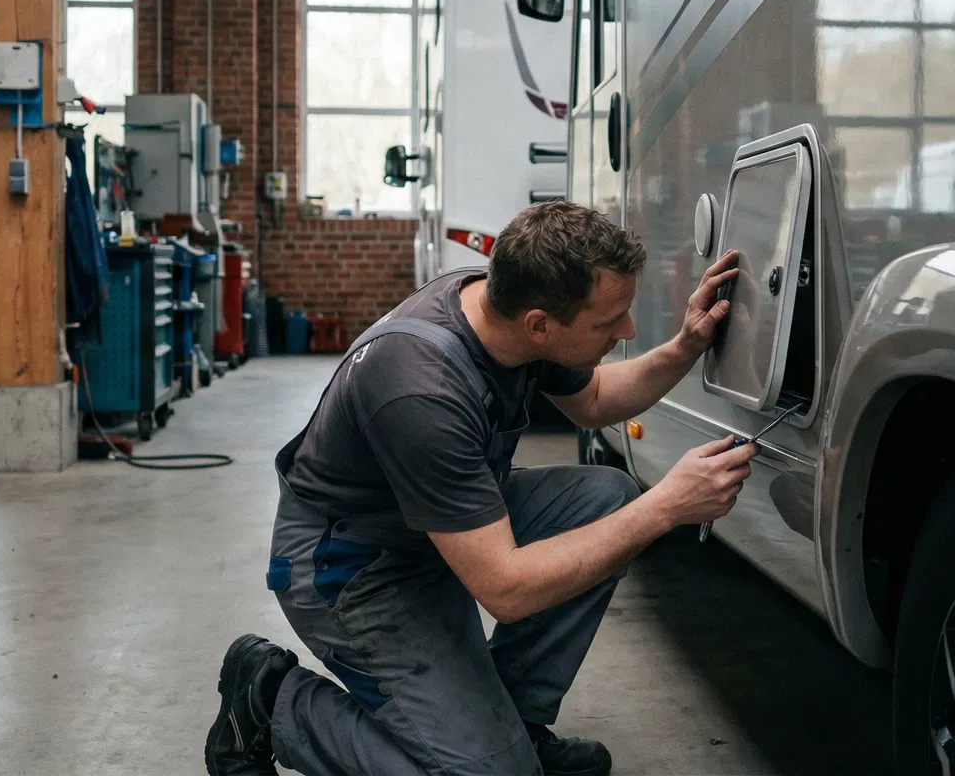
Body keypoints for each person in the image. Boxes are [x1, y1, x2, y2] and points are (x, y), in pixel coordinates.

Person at [205, 201, 755, 776]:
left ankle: (513, 723)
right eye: (608, 322)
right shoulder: (420, 389)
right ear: (540, 323)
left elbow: (593, 402)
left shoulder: (504, 313)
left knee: (604, 500)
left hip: (432, 530)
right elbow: (506, 590)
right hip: (350, 566)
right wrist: (666, 506)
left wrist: (687, 346)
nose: (628, 332)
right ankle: (274, 703)